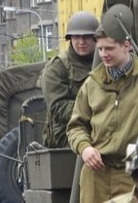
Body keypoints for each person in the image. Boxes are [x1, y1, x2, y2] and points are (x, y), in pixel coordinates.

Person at [66, 8, 138, 203]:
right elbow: (75, 126)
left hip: (135, 171)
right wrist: (85, 148)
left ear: (126, 46)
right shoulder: (92, 84)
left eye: (109, 48)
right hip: (97, 174)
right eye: (100, 49)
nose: (103, 54)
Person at [39, 11, 99, 148]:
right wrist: (96, 110)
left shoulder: (105, 61)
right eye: (77, 37)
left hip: (100, 127)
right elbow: (58, 107)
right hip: (66, 134)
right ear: (70, 38)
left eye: (87, 37)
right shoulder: (57, 67)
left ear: (96, 38)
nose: (81, 42)